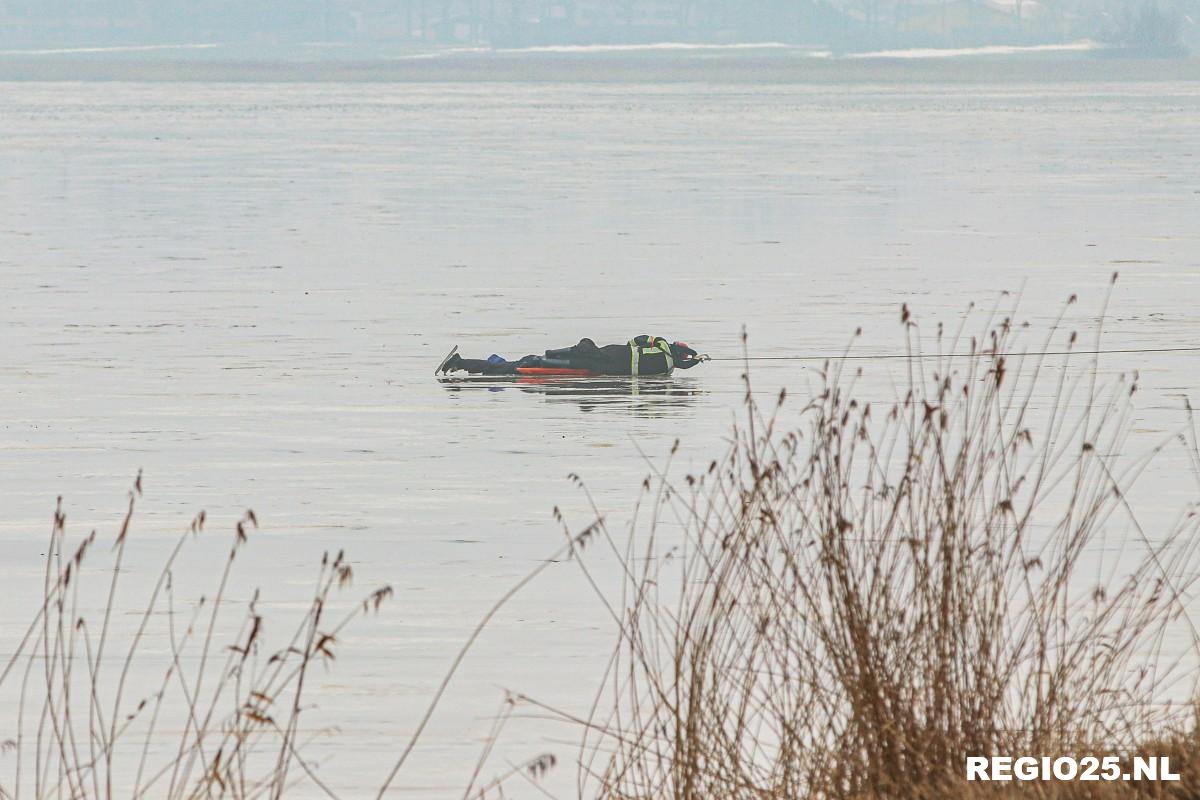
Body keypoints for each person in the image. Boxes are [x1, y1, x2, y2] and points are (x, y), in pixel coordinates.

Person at [437, 336, 707, 376]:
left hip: (595, 359)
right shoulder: (663, 371)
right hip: (598, 363)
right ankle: (484, 364)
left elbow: (634, 340)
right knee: (529, 361)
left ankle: (462, 364)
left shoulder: (659, 345)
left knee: (528, 363)